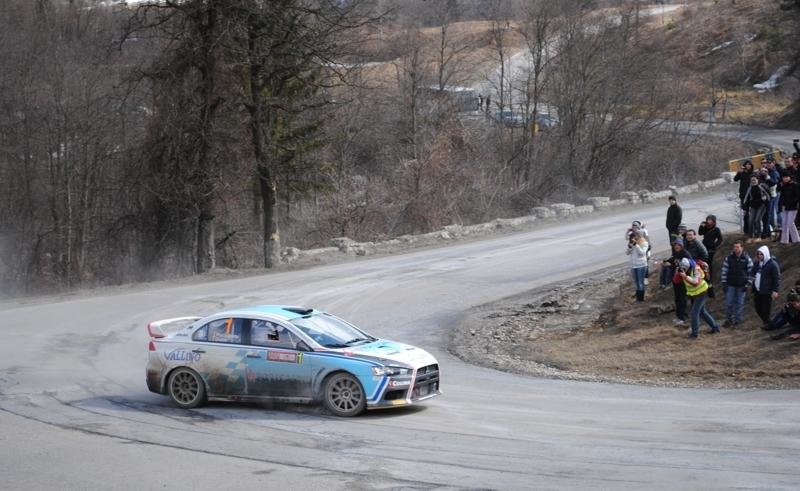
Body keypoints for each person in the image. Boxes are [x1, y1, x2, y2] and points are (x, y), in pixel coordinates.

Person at [679, 257, 719, 338]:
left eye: (685, 268)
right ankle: (715, 327)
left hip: (702, 292)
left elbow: (695, 282)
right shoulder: (683, 270)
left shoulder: (697, 269)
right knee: (702, 312)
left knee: (694, 313)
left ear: (688, 266)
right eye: (683, 268)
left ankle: (694, 334)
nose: (684, 269)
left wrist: (685, 277)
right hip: (695, 294)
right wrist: (678, 273)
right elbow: (676, 280)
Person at [720, 240, 753, 327]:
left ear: (742, 248)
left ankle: (738, 320)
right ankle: (728, 320)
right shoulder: (729, 258)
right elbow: (724, 270)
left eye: (737, 247)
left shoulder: (747, 259)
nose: (735, 249)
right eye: (734, 247)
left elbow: (752, 273)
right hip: (730, 284)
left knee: (740, 303)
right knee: (729, 303)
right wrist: (724, 283)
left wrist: (748, 284)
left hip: (742, 285)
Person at [661, 238, 692, 325]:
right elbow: (671, 261)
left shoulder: (686, 254)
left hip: (683, 280)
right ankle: (679, 316)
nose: (676, 247)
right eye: (675, 245)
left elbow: (689, 266)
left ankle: (683, 318)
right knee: (677, 298)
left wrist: (672, 266)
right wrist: (666, 262)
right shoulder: (675, 254)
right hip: (676, 280)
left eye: (678, 245)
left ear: (682, 246)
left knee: (682, 298)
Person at [751, 245, 780, 326]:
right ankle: (766, 322)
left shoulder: (772, 264)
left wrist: (775, 290)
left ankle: (768, 324)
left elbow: (776, 278)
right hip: (757, 290)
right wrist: (752, 277)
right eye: (758, 254)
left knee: (765, 310)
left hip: (766, 291)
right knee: (758, 308)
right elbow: (752, 272)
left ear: (766, 254)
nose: (759, 256)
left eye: (761, 254)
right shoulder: (757, 263)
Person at [699, 215, 723, 297]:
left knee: (708, 267)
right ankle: (704, 285)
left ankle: (710, 288)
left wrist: (715, 245)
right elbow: (700, 233)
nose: (708, 221)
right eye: (707, 219)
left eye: (710, 220)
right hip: (704, 249)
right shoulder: (705, 227)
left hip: (711, 250)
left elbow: (720, 239)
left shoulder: (716, 229)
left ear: (713, 221)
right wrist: (701, 226)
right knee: (702, 266)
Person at [742, 175, 769, 240]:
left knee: (757, 220)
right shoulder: (750, 188)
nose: (753, 181)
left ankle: (758, 236)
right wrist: (745, 209)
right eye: (752, 180)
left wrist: (765, 200)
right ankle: (750, 236)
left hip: (762, 205)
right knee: (750, 220)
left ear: (757, 180)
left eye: (754, 180)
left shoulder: (762, 187)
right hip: (753, 206)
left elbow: (768, 196)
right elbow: (747, 199)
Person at [627, 231, 649, 303]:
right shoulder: (633, 244)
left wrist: (636, 245)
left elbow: (642, 253)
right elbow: (627, 253)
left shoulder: (644, 243)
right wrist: (630, 246)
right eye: (634, 236)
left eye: (636, 236)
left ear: (640, 236)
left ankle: (641, 299)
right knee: (636, 282)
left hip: (641, 265)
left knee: (640, 282)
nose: (635, 237)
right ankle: (637, 298)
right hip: (634, 265)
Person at [734, 160, 755, 233]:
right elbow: (735, 179)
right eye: (747, 164)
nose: (748, 166)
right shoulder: (742, 173)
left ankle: (753, 229)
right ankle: (747, 230)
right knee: (745, 214)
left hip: (752, 196)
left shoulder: (753, 174)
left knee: (753, 213)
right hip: (744, 196)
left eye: (749, 164)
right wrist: (739, 172)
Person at [778, 173, 799, 243]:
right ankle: (784, 241)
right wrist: (780, 206)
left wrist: (793, 203)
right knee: (784, 224)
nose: (785, 178)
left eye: (787, 177)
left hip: (793, 207)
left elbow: (798, 196)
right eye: (784, 177)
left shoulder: (795, 185)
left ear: (790, 177)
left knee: (790, 223)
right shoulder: (783, 186)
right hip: (784, 207)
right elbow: (781, 196)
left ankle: (796, 240)